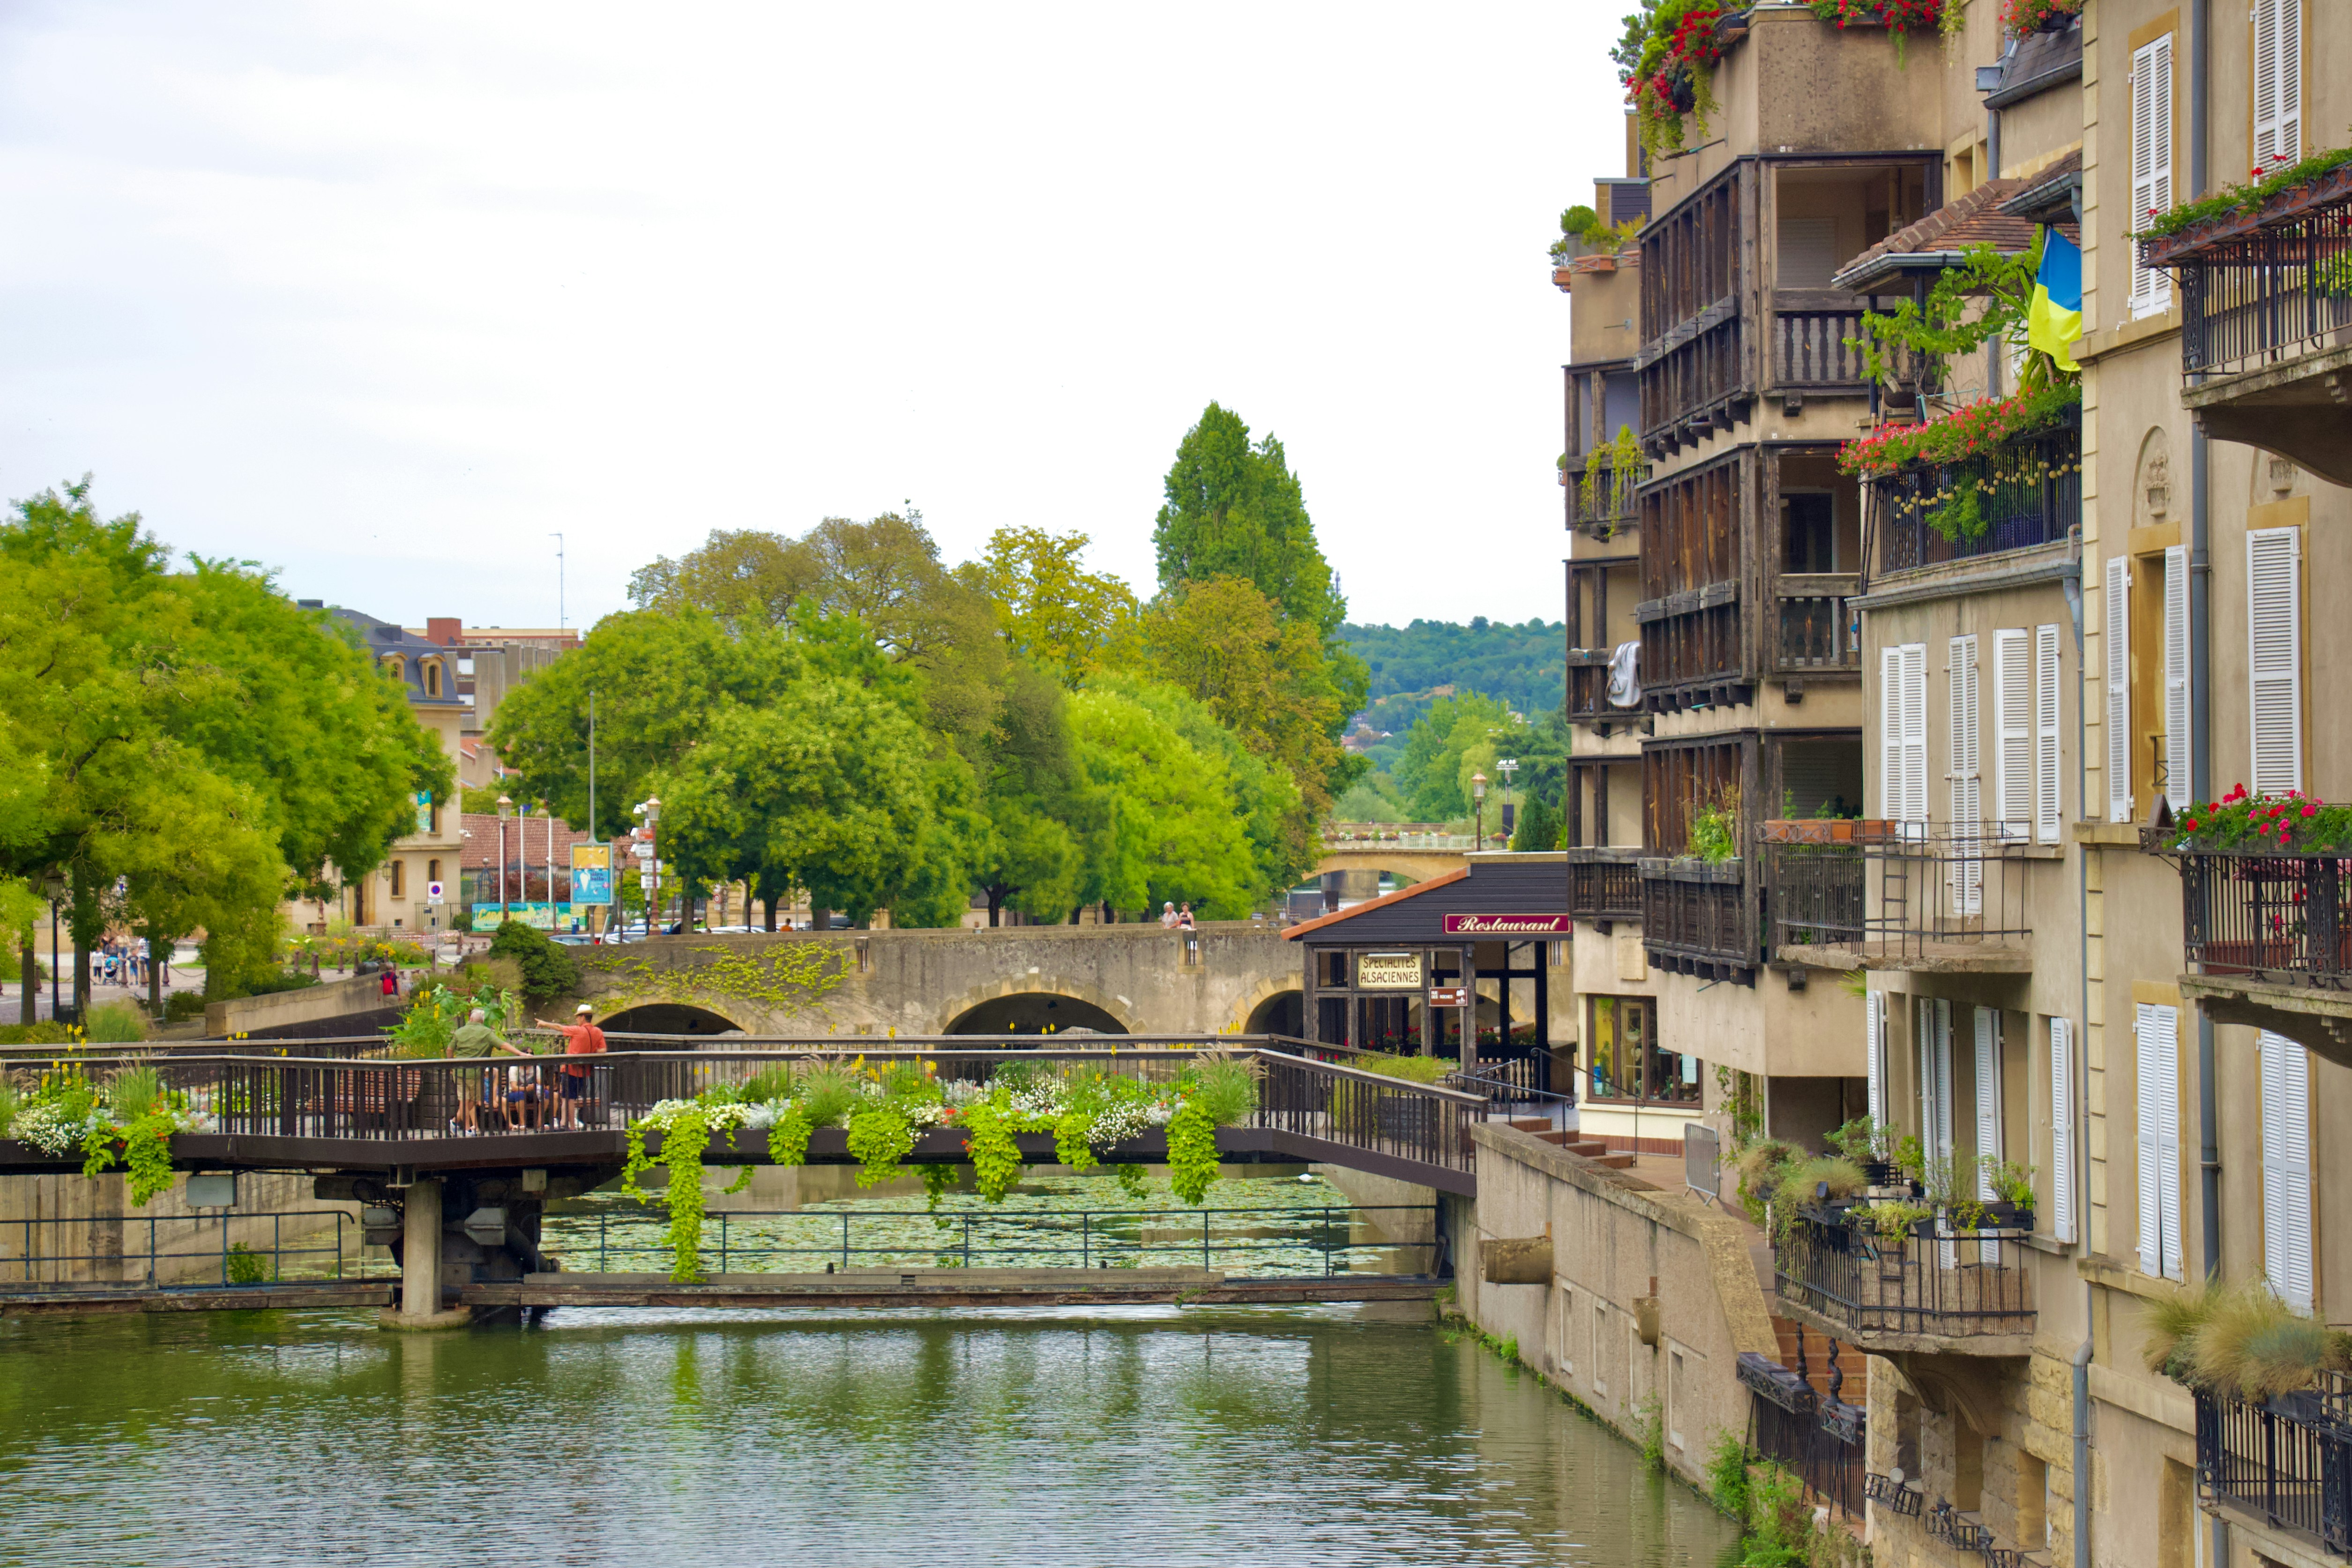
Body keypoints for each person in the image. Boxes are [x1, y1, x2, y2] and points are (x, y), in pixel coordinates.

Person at [447, 1007, 531, 1133]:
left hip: (460, 1072)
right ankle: (465, 1129)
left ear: (470, 1018)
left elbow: (449, 1049)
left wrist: (451, 1066)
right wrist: (521, 1054)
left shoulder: (459, 1032)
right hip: (475, 1073)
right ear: (482, 1021)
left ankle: (456, 1123)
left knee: (465, 1101)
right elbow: (503, 1045)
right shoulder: (486, 1033)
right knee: (471, 1101)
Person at [534, 1002, 609, 1129]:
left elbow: (559, 1027)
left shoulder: (577, 1030)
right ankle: (563, 1122)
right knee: (567, 1097)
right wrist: (590, 1052)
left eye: (578, 1017)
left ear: (583, 1017)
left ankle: (572, 1127)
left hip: (571, 1069)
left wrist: (544, 1024)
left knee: (569, 1098)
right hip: (585, 1070)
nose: (576, 1019)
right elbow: (603, 1050)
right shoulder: (598, 1031)